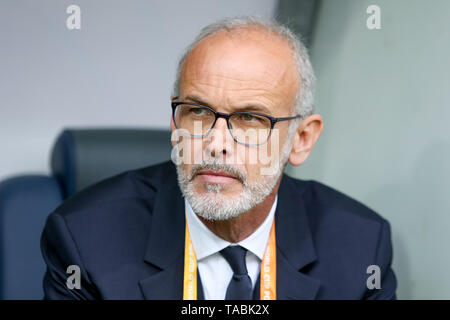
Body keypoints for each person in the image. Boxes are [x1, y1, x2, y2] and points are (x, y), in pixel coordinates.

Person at [41, 16, 397, 300]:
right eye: (197, 111)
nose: (216, 143)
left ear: (301, 140)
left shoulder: (361, 245)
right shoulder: (84, 239)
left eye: (250, 118)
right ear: (174, 123)